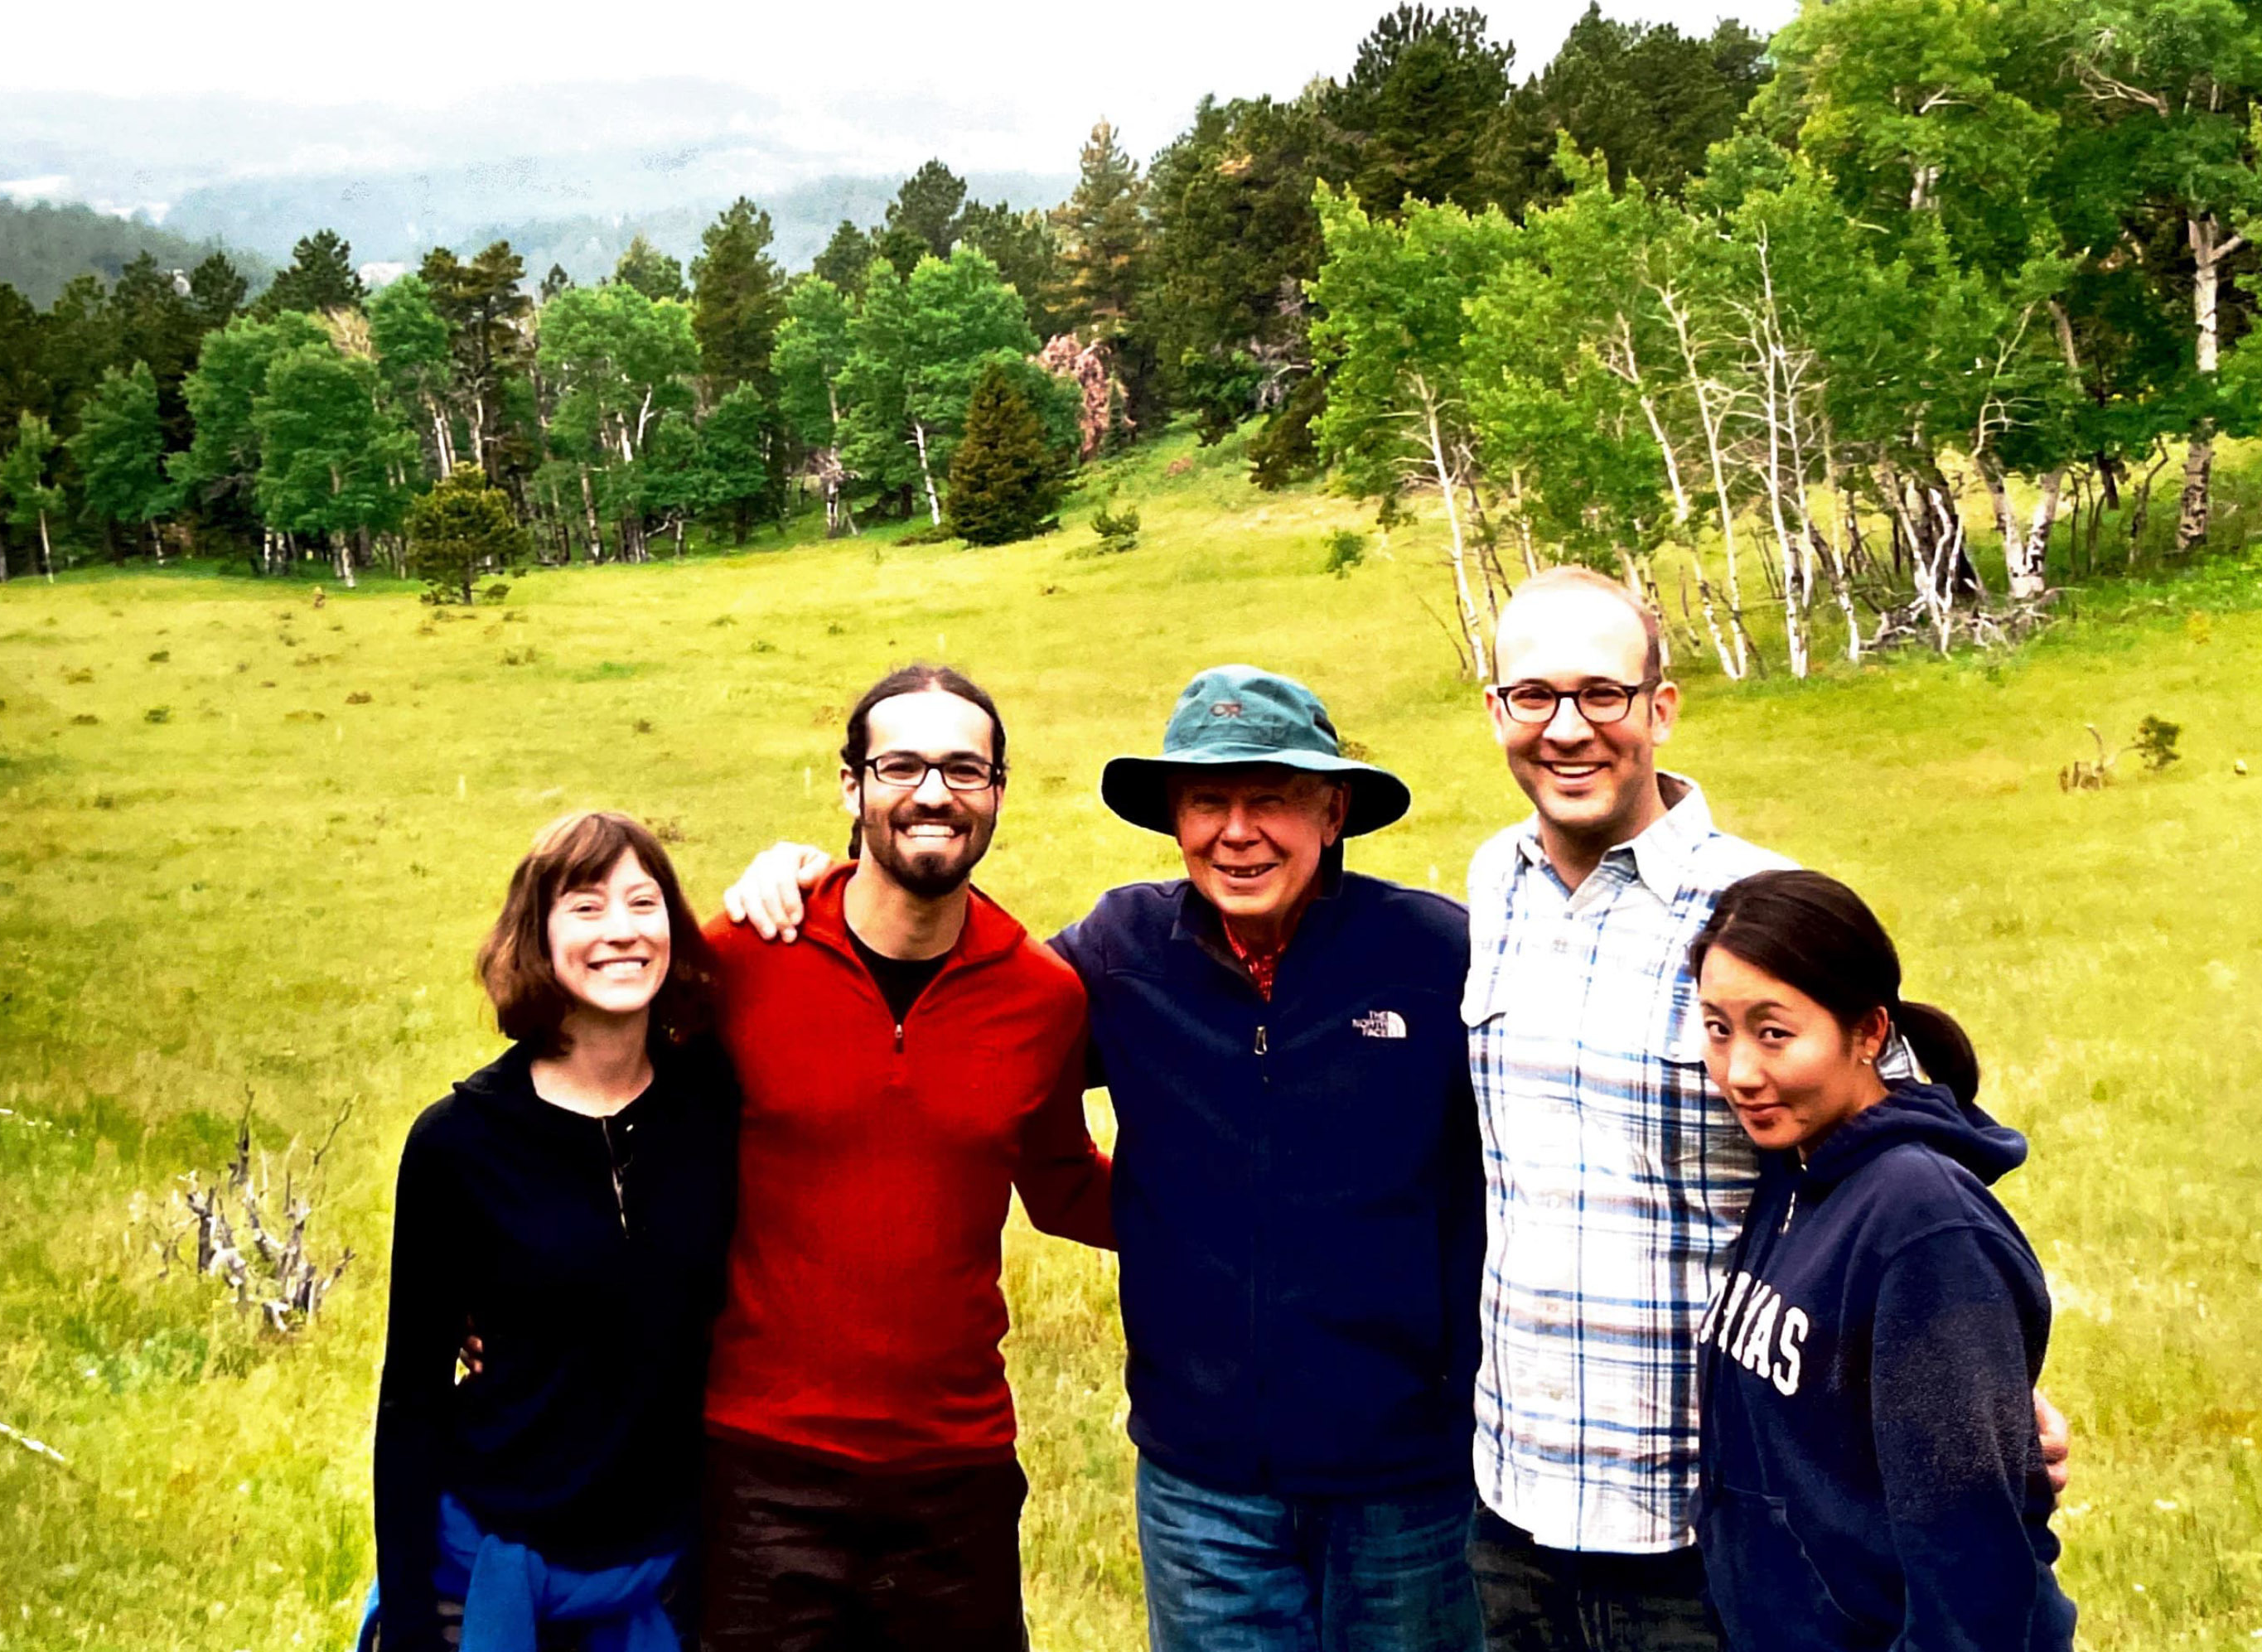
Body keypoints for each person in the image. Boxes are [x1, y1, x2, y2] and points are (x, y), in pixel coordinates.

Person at [725, 664, 1486, 1652]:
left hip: (1410, 1480)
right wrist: (806, 883)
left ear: (1334, 810)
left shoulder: (1439, 957)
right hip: (1201, 1479)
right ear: (1175, 818)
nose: (1238, 830)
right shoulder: (1120, 951)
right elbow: (965, 1014)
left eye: (1273, 799)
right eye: (1208, 799)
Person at [1462, 568, 2069, 1650]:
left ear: (1660, 703)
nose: (1566, 729)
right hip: (1512, 1515)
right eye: (1532, 696)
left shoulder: (1758, 912)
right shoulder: (1490, 885)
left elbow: (1907, 1163)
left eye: (1601, 694)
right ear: (1494, 710)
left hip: (1712, 1540)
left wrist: (1979, 1406)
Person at [694, 664, 1114, 1652]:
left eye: (965, 768)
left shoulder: (1041, 995)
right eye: (902, 765)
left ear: (998, 793)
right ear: (851, 787)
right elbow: (611, 1118)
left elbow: (1060, 1184)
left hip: (954, 1474)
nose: (934, 792)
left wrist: (1245, 1201)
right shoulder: (744, 955)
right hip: (759, 1469)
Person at [367, 811, 739, 1652]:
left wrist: (795, 868)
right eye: (585, 905)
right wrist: (413, 1623)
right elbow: (413, 1397)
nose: (621, 930)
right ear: (535, 936)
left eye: (644, 903)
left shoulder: (711, 1102)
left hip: (664, 1571)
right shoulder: (458, 1143)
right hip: (487, 1567)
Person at [1689, 869, 2078, 1652]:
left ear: (1867, 1033)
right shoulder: (1795, 1172)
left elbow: (1972, 1565)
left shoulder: (1921, 1224)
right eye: (1716, 1028)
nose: (1738, 1073)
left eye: (1773, 1033)